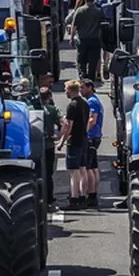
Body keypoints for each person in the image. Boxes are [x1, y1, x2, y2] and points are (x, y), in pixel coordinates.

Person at [56, 80, 90, 211]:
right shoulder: (85, 104)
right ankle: (83, 197)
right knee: (83, 170)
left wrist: (61, 142)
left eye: (66, 90)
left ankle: (74, 199)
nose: (65, 92)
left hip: (74, 140)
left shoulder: (72, 106)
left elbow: (68, 126)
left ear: (70, 90)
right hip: (83, 138)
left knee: (73, 172)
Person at [70, 0, 104, 83]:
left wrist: (72, 38)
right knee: (93, 62)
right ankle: (90, 81)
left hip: (82, 39)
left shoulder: (80, 11)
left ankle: (83, 78)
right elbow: (102, 26)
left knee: (81, 61)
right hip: (95, 39)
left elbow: (74, 26)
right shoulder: (98, 11)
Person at [81, 78, 104, 208]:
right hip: (95, 135)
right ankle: (93, 194)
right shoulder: (94, 100)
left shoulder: (92, 102)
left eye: (82, 88)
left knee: (88, 167)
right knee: (94, 166)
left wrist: (84, 132)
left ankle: (91, 194)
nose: (81, 90)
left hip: (91, 136)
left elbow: (92, 120)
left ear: (90, 87)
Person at [38, 87, 60, 197]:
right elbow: (63, 123)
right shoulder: (53, 109)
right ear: (49, 97)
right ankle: (49, 198)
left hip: (35, 145)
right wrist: (58, 136)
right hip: (49, 144)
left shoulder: (31, 108)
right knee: (48, 174)